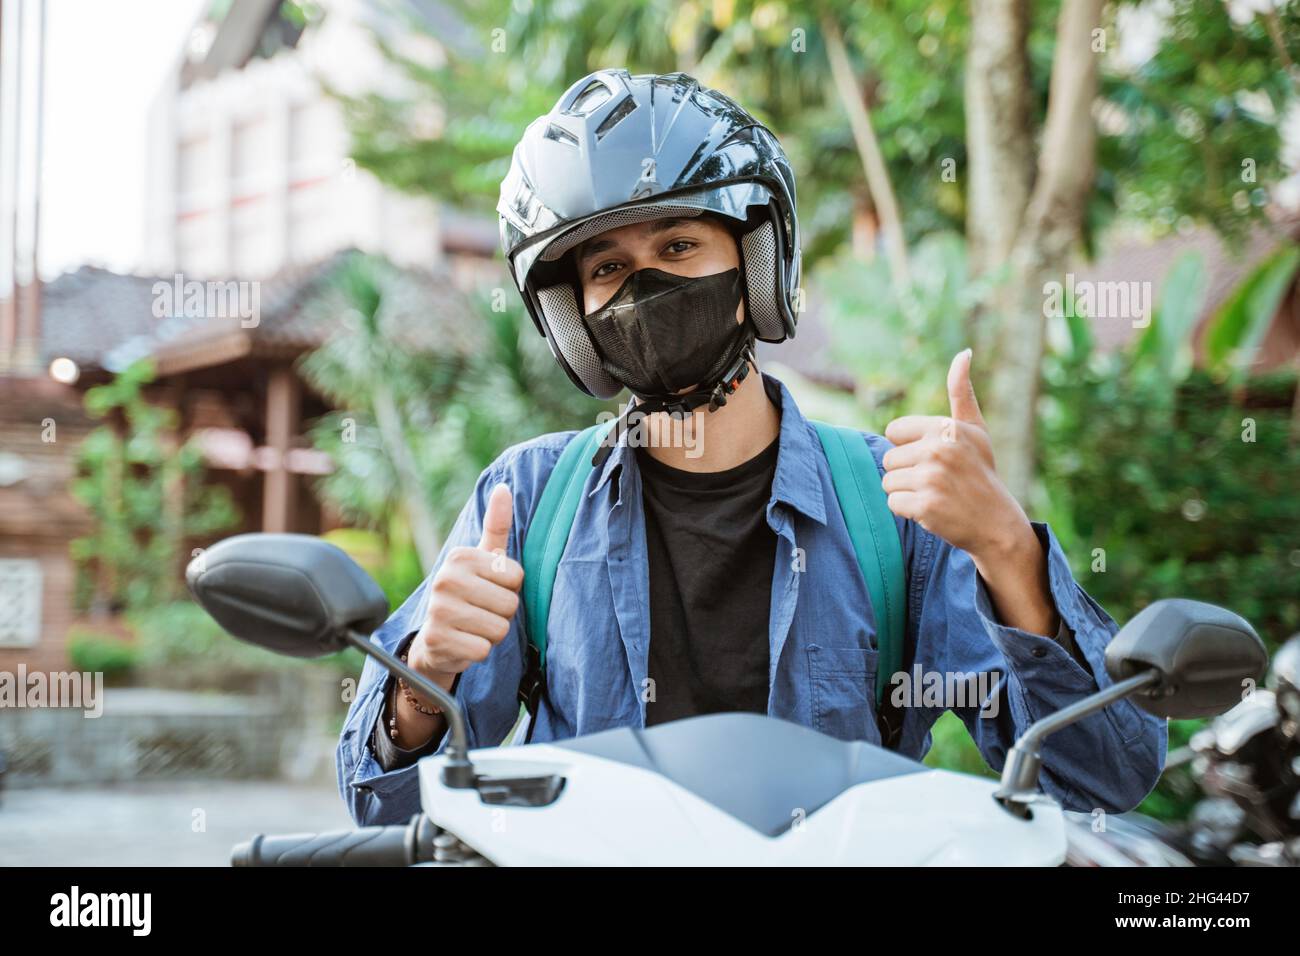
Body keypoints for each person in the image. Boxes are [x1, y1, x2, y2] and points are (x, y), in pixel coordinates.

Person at [336, 69, 1166, 827]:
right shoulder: (526, 503)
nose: (644, 287)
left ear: (755, 268)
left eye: (677, 247)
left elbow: (1103, 777)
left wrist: (1006, 550)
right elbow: (382, 807)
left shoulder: (891, 507)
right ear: (574, 317)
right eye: (608, 268)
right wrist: (428, 675)